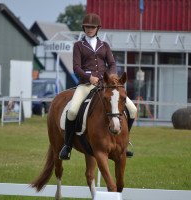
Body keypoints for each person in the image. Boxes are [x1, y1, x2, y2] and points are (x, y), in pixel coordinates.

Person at [59, 13, 137, 160]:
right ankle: (67, 146)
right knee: (72, 111)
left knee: (132, 110)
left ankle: (124, 142)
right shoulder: (78, 46)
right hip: (85, 85)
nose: (90, 29)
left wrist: (112, 77)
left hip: (105, 86)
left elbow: (112, 64)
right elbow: (76, 67)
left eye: (92, 27)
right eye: (87, 27)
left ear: (97, 28)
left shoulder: (104, 45)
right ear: (84, 27)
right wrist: (89, 77)